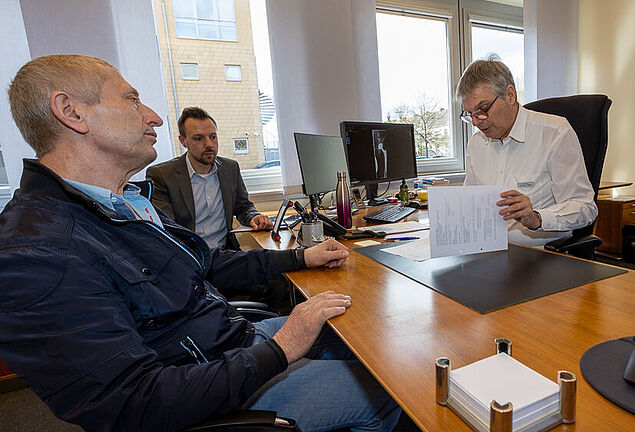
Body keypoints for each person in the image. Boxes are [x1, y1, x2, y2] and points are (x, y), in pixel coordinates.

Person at [0, 54, 400, 432]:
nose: (153, 117)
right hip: (216, 384)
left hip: (231, 340)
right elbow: (132, 403)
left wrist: (301, 255)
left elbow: (204, 263)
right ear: (71, 112)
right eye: (132, 100)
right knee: (394, 391)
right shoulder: (38, 252)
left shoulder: (121, 204)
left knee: (369, 338)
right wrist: (282, 347)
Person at [457, 56, 597, 246]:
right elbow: (471, 204)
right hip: (487, 252)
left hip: (539, 255)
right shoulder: (476, 144)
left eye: (482, 109)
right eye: (470, 114)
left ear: (510, 95)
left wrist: (537, 218)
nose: (476, 121)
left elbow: (585, 207)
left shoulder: (555, 133)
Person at [146, 106, 272, 251]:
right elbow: (166, 228)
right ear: (183, 141)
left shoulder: (230, 168)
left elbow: (243, 206)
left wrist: (253, 217)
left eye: (213, 137)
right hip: (190, 257)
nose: (209, 144)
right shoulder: (162, 175)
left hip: (226, 252)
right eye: (199, 138)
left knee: (269, 264)